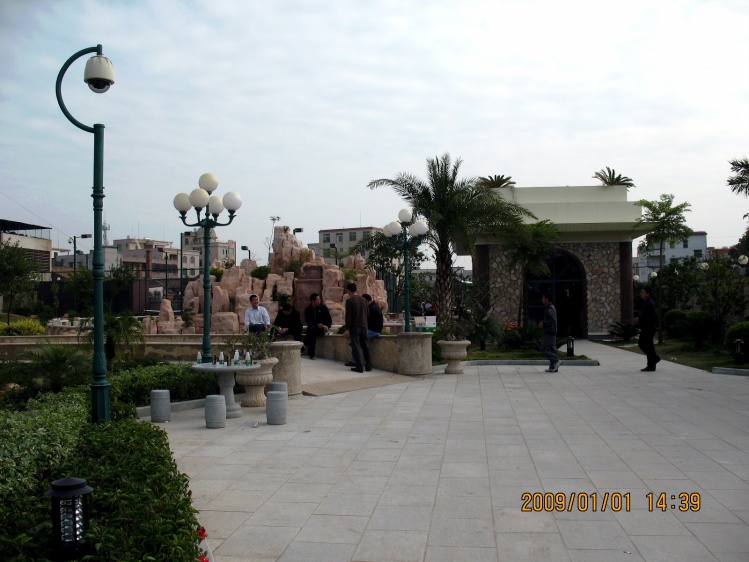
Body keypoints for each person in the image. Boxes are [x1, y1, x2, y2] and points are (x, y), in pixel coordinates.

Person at [344, 293, 383, 367]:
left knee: (357, 343)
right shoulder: (374, 307)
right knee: (361, 344)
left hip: (373, 331)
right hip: (375, 330)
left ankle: (355, 361)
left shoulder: (371, 308)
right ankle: (366, 364)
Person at [344, 283, 372, 373]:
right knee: (365, 346)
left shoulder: (349, 301)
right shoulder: (364, 300)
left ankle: (359, 366)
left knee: (356, 346)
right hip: (364, 326)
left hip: (355, 326)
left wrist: (347, 329)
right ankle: (368, 366)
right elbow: (367, 313)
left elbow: (348, 316)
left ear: (348, 291)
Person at [636, 286, 661, 371]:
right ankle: (653, 361)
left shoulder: (649, 304)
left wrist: (639, 319)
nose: (641, 294)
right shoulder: (647, 303)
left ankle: (653, 361)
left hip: (648, 328)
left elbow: (648, 317)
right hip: (647, 328)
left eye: (643, 292)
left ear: (648, 294)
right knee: (647, 345)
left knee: (644, 344)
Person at [303, 293, 332, 360]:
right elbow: (309, 321)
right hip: (312, 328)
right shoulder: (308, 310)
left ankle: (304, 345)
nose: (319, 301)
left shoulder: (323, 308)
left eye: (319, 299)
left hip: (321, 329)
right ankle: (311, 354)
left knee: (312, 331)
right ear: (312, 301)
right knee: (313, 330)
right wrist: (317, 325)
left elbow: (329, 319)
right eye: (317, 300)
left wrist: (327, 326)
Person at [538, 292, 559, 372]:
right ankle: (553, 367)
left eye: (543, 298)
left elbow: (552, 320)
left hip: (550, 332)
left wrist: (543, 323)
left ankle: (555, 359)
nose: (542, 299)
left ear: (547, 299)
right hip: (551, 331)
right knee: (551, 349)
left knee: (543, 348)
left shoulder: (550, 309)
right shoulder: (549, 308)